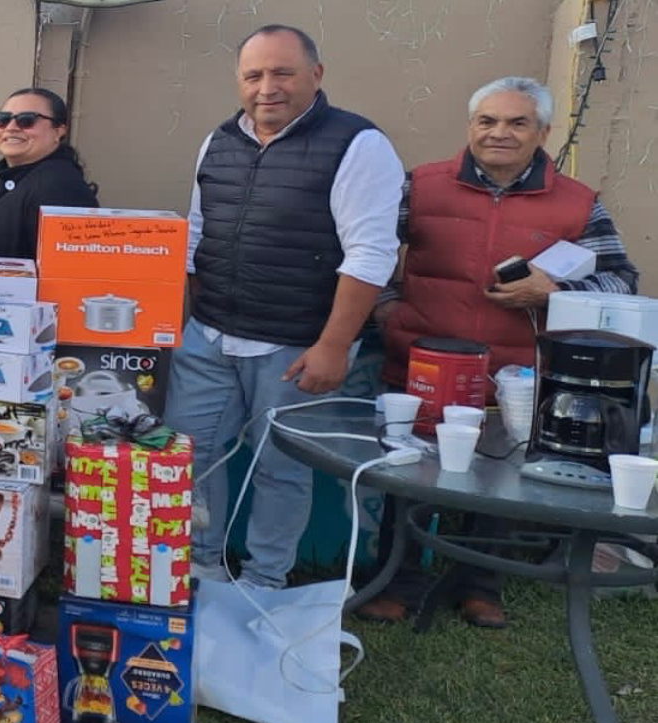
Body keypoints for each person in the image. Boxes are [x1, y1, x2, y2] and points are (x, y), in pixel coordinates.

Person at [360, 76, 640, 628]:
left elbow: (621, 282)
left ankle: (480, 584)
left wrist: (553, 292)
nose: (500, 133)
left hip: (514, 374)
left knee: (496, 479)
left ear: (542, 132)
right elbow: (366, 250)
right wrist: (386, 305)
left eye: (516, 123)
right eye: (487, 121)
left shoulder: (578, 204)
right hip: (423, 361)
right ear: (470, 126)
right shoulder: (421, 186)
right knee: (408, 476)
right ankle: (399, 581)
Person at [165, 24, 405, 589]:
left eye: (282, 73)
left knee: (281, 469)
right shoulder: (218, 140)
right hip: (209, 336)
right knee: (187, 456)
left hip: (296, 343)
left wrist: (334, 344)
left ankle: (266, 579)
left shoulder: (358, 144)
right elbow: (199, 233)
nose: (266, 87)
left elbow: (372, 253)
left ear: (316, 76)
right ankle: (202, 565)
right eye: (253, 75)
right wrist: (189, 319)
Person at [0, 87, 98, 259]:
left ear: (58, 131)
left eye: (27, 120)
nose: (11, 127)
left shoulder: (60, 187)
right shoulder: (13, 177)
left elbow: (69, 270)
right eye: (2, 119)